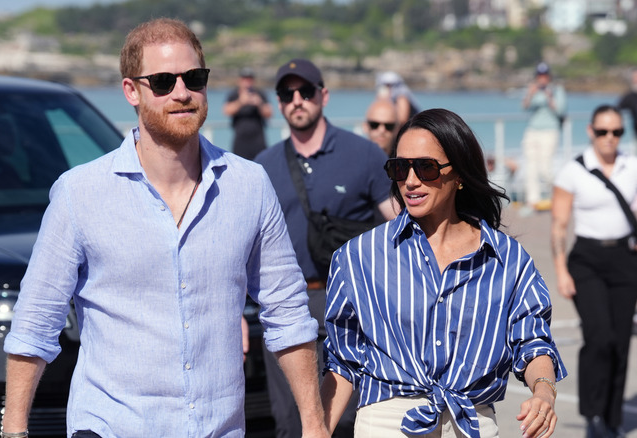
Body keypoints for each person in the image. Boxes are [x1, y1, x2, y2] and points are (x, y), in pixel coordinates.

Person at [0, 18, 329, 438]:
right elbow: (35, 324)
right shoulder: (79, 193)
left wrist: (315, 426)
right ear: (131, 91)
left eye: (194, 78)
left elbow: (287, 314)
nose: (182, 92)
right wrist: (14, 431)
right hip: (111, 428)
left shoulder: (248, 185)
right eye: (162, 81)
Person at [321, 108, 567, 438]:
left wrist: (544, 393)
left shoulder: (508, 260)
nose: (410, 181)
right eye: (399, 168)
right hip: (386, 424)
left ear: (460, 174)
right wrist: (315, 431)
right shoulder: (358, 258)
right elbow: (343, 363)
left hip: (472, 424)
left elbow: (533, 343)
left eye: (426, 167)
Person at [255, 58, 397, 438]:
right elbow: (244, 246)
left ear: (324, 95)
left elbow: (401, 226)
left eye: (306, 91)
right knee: (290, 425)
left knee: (349, 422)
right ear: (279, 102)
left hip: (351, 305)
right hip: (284, 307)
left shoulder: (365, 155)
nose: (297, 100)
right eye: (287, 93)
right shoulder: (261, 168)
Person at [551, 105, 637, 438]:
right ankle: (593, 415)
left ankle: (613, 419)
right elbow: (559, 226)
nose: (610, 138)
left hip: (625, 260)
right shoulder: (573, 171)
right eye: (603, 132)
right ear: (591, 131)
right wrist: (561, 271)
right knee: (598, 338)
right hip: (586, 260)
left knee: (620, 342)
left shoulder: (636, 167)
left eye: (617, 132)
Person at [521, 62, 567, 212]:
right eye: (539, 76)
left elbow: (561, 111)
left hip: (550, 131)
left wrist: (550, 97)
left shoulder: (557, 90)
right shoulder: (533, 90)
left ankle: (559, 195)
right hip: (532, 131)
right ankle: (532, 201)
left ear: (549, 76)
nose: (542, 79)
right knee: (531, 167)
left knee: (545, 167)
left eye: (545, 76)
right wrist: (530, 93)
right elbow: (524, 107)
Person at [223, 66, 273, 160]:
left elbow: (269, 113)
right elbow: (226, 111)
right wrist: (240, 102)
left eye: (249, 79)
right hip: (240, 141)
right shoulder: (234, 94)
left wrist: (259, 104)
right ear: (240, 80)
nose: (247, 82)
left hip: (258, 140)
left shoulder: (260, 93)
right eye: (245, 79)